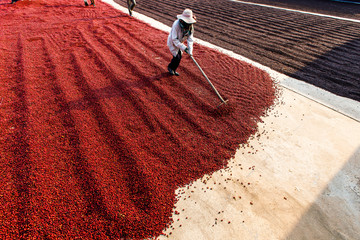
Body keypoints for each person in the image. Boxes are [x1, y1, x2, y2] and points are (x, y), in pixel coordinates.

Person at [167, 9, 196, 76]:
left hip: (179, 43)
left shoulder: (190, 27)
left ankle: (173, 69)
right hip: (173, 42)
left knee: (179, 57)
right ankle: (170, 67)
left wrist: (190, 51)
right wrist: (184, 47)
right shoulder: (176, 25)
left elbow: (190, 39)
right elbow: (174, 39)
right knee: (177, 57)